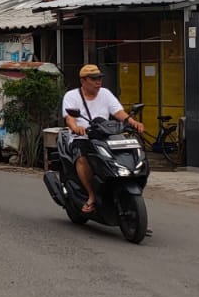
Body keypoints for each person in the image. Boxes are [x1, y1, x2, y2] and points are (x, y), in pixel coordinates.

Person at [61, 64, 143, 214]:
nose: (98, 82)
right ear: (83, 80)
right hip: (83, 137)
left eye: (99, 78)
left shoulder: (105, 93)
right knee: (82, 159)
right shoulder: (71, 96)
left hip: (106, 136)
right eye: (94, 79)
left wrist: (133, 122)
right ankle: (91, 195)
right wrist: (75, 128)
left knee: (126, 154)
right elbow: (70, 118)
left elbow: (119, 113)